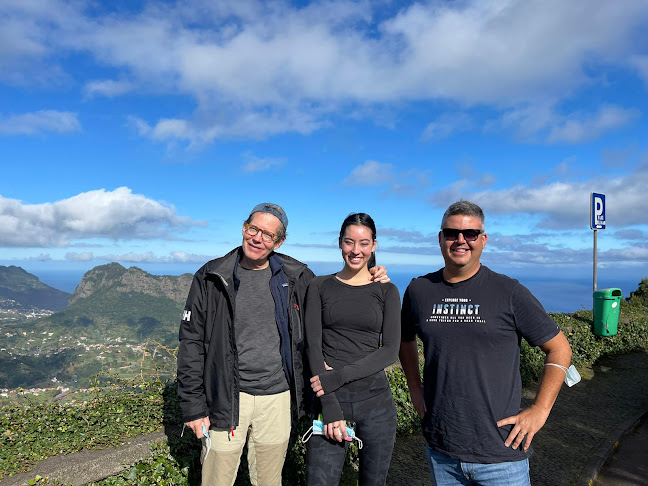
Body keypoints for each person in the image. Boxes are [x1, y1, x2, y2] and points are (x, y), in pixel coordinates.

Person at [177, 203, 389, 486]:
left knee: (269, 480)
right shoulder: (212, 276)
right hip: (226, 399)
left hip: (277, 399)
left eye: (268, 235)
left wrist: (374, 277)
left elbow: (337, 310)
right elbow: (191, 341)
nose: (258, 238)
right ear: (244, 227)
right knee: (217, 479)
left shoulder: (297, 276)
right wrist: (193, 406)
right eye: (254, 229)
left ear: (279, 241)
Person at [399, 200, 573, 486]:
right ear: (440, 238)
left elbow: (560, 348)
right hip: (443, 450)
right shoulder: (419, 290)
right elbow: (404, 340)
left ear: (483, 240)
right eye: (452, 233)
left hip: (502, 454)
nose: (460, 240)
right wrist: (415, 389)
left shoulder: (509, 291)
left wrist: (540, 410)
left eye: (470, 234)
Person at [305, 213, 401, 485]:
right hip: (331, 398)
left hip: (377, 403)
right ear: (339, 243)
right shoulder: (320, 286)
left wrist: (338, 375)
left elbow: (390, 350)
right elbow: (313, 346)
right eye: (349, 242)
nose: (356, 250)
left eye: (364, 243)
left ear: (374, 245)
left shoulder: (387, 291)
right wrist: (330, 405)